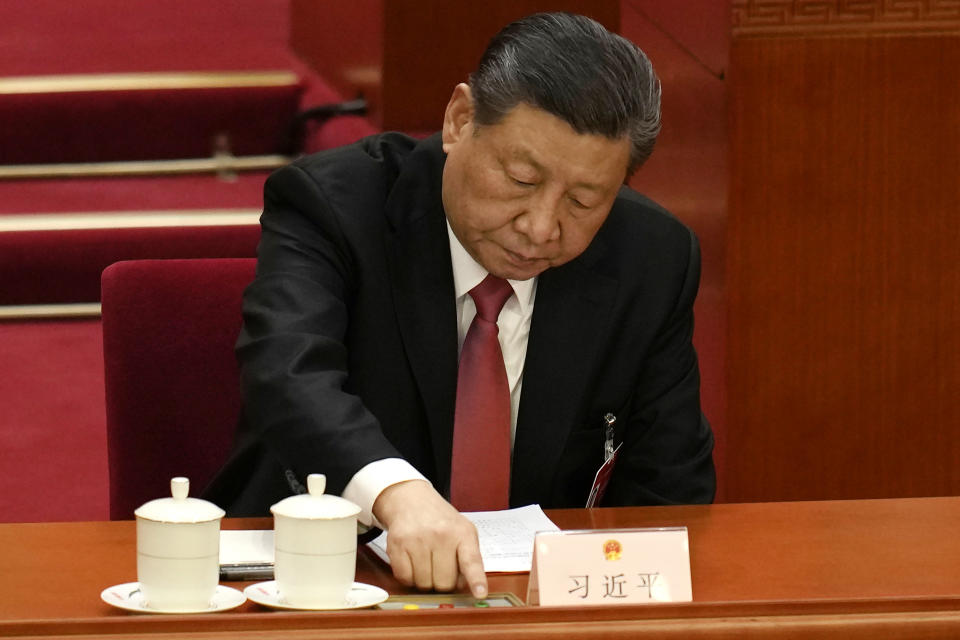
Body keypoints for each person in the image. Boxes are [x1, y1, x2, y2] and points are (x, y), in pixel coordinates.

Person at [204, 12, 715, 599]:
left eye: (583, 200)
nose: (542, 227)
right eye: (522, 180)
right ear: (460, 119)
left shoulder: (651, 258)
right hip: (317, 584)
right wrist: (398, 494)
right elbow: (287, 372)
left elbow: (670, 481)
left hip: (534, 608)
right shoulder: (333, 205)